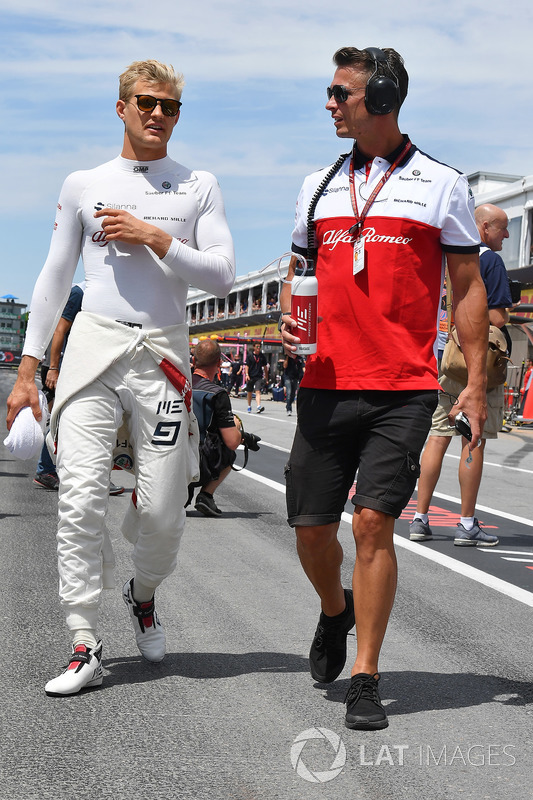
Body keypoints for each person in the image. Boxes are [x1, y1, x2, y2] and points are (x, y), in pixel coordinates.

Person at [6, 59, 235, 696]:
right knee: (78, 499)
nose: (157, 115)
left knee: (163, 509)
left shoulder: (199, 185)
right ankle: (83, 637)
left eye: (169, 106)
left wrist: (154, 237)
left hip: (162, 355)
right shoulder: (84, 183)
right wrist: (28, 371)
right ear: (121, 107)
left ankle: (143, 595)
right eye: (145, 103)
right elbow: (54, 277)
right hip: (92, 353)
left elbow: (220, 273)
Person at [279, 46, 488, 730]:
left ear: (383, 97)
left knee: (372, 523)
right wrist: (288, 313)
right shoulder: (316, 184)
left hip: (402, 386)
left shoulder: (439, 183)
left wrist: (476, 383)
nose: (330, 103)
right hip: (323, 383)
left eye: (341, 92)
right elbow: (297, 272)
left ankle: (366, 674)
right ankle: (334, 610)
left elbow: (466, 287)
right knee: (311, 528)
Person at [410, 204, 513, 547]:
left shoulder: (444, 257)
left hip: (443, 356)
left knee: (437, 436)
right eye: (503, 228)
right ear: (484, 227)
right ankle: (466, 523)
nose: (507, 235)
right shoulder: (489, 261)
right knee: (473, 437)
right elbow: (496, 317)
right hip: (473, 361)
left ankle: (420, 518)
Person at [33, 284, 124, 496]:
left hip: (83, 365)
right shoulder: (80, 292)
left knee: (75, 420)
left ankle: (56, 471)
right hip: (66, 366)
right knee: (69, 419)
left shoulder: (106, 296)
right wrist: (53, 368)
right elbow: (60, 330)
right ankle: (48, 470)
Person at [189, 340, 244, 516]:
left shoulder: (177, 384)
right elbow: (232, 441)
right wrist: (239, 429)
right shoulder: (217, 393)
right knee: (229, 451)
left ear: (194, 360)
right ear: (219, 363)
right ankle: (206, 495)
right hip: (197, 460)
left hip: (170, 456)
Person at [244, 341, 268, 413]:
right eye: (257, 347)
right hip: (251, 376)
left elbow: (265, 367)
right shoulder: (250, 355)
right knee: (249, 392)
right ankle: (249, 406)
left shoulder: (262, 356)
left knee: (258, 391)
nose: (258, 348)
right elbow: (247, 366)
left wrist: (266, 377)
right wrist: (247, 374)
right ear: (254, 347)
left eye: (259, 347)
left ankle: (258, 406)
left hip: (259, 376)